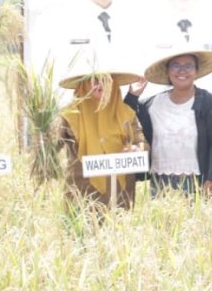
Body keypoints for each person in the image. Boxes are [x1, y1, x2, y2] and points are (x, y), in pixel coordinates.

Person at [125, 43, 212, 197]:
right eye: (175, 65)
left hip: (196, 181)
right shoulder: (153, 104)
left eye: (188, 66)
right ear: (167, 71)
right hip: (160, 180)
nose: (182, 70)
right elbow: (126, 119)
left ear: (196, 71)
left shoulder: (207, 101)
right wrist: (133, 96)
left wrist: (211, 179)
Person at [58, 62, 146, 211]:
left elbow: (141, 141)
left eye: (106, 81)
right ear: (84, 84)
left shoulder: (126, 113)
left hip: (120, 193)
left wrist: (137, 149)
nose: (101, 85)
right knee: (80, 225)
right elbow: (49, 147)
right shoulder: (68, 115)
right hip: (82, 192)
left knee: (119, 225)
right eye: (95, 80)